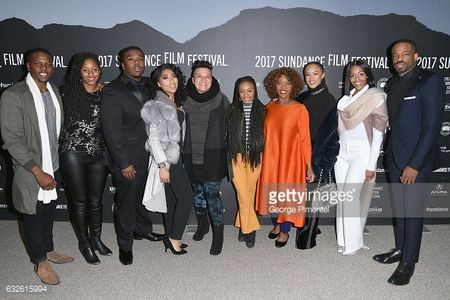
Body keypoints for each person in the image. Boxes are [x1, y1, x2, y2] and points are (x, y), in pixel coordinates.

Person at [373, 39, 445, 286]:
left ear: (416, 56)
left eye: (405, 54)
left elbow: (432, 127)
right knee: (400, 209)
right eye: (395, 55)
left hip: (417, 160)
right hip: (394, 156)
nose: (399, 59)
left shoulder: (431, 81)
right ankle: (400, 249)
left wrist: (415, 164)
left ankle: (408, 263)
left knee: (412, 212)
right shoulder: (392, 83)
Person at [0, 48, 73, 285]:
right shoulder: (14, 94)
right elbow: (11, 139)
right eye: (38, 63)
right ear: (27, 66)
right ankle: (41, 262)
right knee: (32, 214)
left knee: (48, 210)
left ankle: (49, 249)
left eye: (48, 64)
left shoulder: (53, 92)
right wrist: (37, 170)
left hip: (52, 165)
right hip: (30, 168)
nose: (44, 68)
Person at [101, 46, 163, 265]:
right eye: (131, 59)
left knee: (139, 196)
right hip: (127, 158)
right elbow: (111, 132)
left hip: (149, 154)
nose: (137, 63)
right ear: (122, 63)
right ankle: (125, 246)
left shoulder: (148, 84)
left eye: (140, 59)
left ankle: (143, 230)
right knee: (126, 203)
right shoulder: (112, 91)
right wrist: (123, 163)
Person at [59, 52, 112, 265]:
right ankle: (85, 243)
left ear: (100, 70)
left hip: (98, 153)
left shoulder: (106, 93)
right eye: (85, 69)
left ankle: (96, 239)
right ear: (78, 71)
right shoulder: (65, 93)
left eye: (95, 69)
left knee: (96, 200)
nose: (91, 74)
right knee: (80, 202)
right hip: (72, 153)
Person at [256, 67, 315, 248]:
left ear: (294, 86)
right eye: (279, 82)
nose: (283, 86)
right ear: (273, 85)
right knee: (273, 193)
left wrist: (308, 165)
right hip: (271, 160)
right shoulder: (269, 107)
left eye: (288, 83)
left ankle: (284, 231)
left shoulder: (300, 109)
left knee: (287, 196)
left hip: (291, 161)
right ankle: (277, 224)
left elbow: (305, 139)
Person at [334, 59, 388, 255]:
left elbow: (379, 134)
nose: (356, 78)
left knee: (350, 198)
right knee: (342, 196)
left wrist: (371, 164)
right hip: (342, 153)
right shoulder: (345, 99)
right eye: (352, 75)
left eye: (361, 74)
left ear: (368, 76)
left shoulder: (375, 98)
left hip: (362, 152)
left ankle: (354, 243)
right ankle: (343, 239)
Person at [141, 64, 193, 255]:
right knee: (187, 197)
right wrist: (163, 166)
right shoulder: (157, 105)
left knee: (172, 199)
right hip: (167, 161)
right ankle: (175, 237)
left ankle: (169, 236)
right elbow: (153, 139)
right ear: (158, 83)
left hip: (176, 159)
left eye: (173, 76)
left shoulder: (175, 103)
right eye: (165, 77)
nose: (171, 81)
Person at [182, 60, 229, 255]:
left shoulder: (222, 100)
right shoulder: (182, 100)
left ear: (212, 79)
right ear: (193, 80)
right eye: (199, 76)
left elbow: (231, 130)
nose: (203, 79)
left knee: (212, 198)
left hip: (213, 159)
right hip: (189, 157)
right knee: (198, 197)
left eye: (207, 76)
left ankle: (219, 236)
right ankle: (203, 225)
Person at [295, 62, 339, 249]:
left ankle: (308, 239)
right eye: (307, 75)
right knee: (305, 198)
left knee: (315, 200)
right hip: (302, 155)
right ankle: (312, 228)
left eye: (315, 74)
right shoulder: (304, 97)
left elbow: (334, 136)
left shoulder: (329, 101)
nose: (311, 78)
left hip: (318, 159)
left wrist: (323, 163)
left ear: (323, 75)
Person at [226, 76, 266, 248]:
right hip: (237, 157)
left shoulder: (263, 110)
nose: (246, 94)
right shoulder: (231, 109)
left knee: (248, 194)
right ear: (238, 92)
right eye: (242, 91)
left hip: (256, 158)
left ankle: (243, 227)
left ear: (255, 91)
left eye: (249, 90)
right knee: (243, 195)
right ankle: (251, 231)